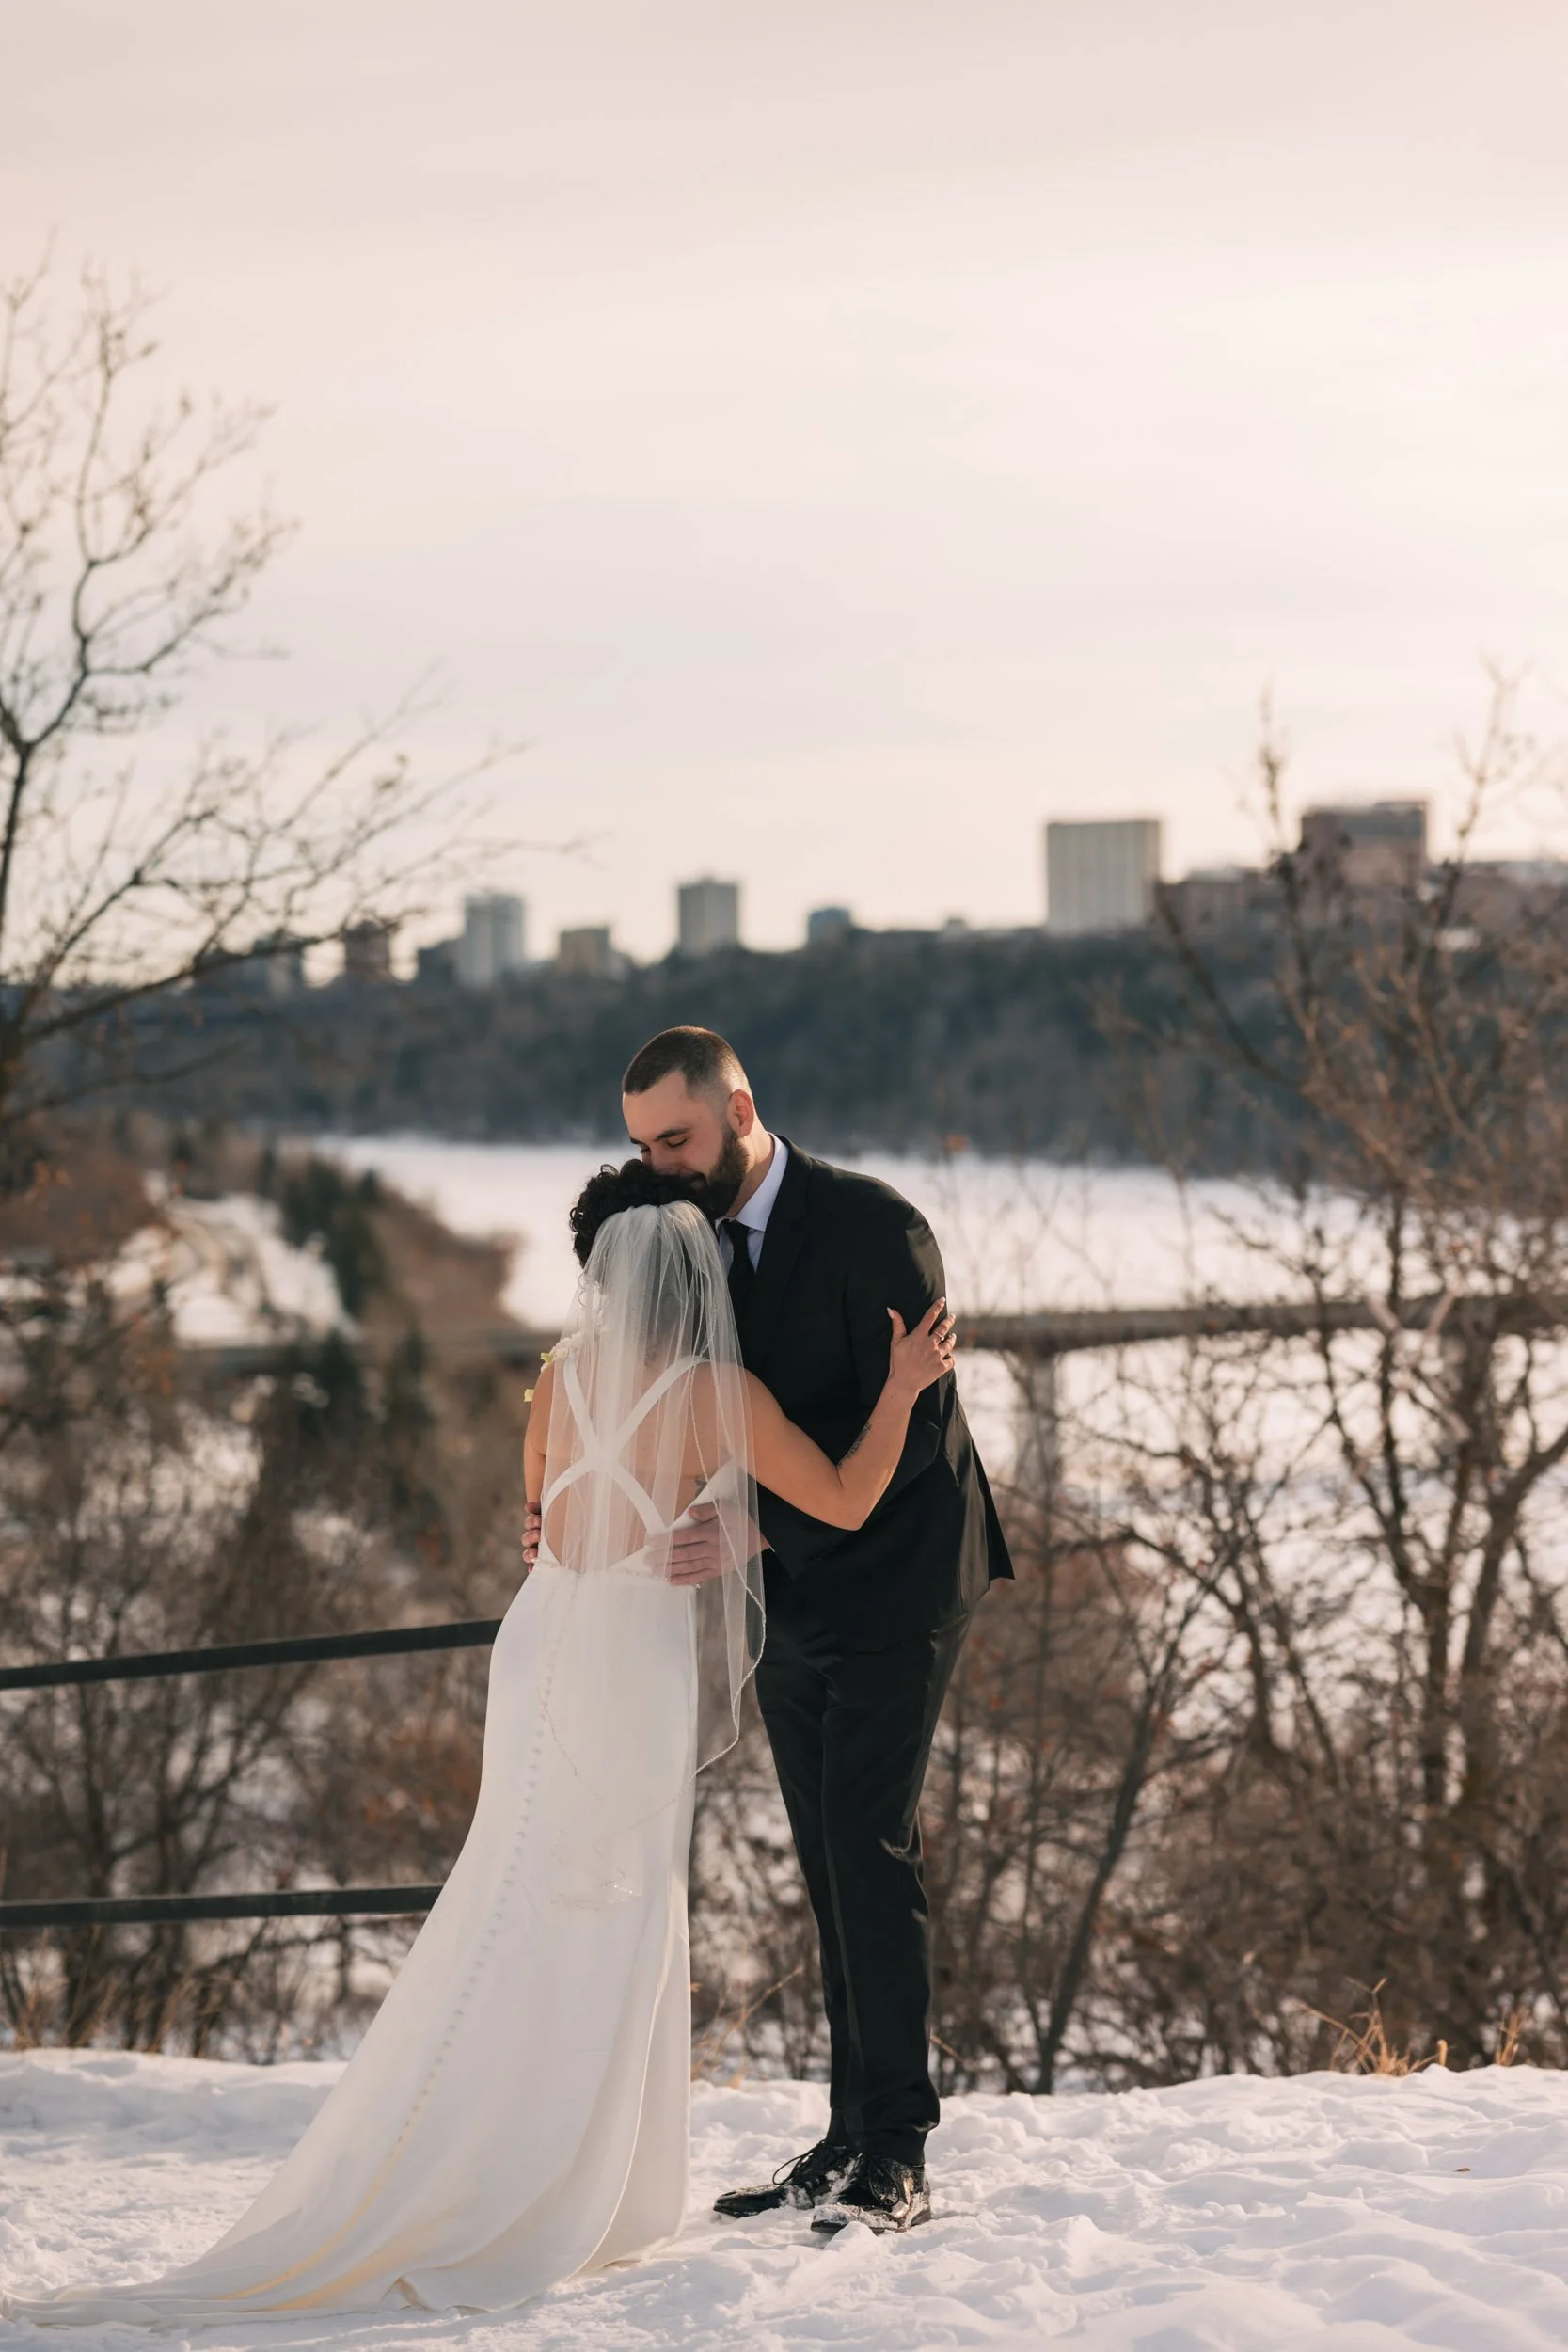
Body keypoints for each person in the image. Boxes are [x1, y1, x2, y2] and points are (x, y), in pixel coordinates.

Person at [1, 1166, 954, 2328]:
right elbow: (853, 1499)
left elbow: (541, 1519)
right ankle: (575, 2180)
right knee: (617, 1900)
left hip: (544, 1641)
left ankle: (476, 2136)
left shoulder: (555, 1379)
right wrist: (902, 1386)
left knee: (514, 1885)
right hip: (631, 1657)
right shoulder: (719, 1391)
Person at [527, 1027, 1013, 2235]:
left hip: (899, 1579)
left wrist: (751, 1530)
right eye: (642, 1145)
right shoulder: (678, 1245)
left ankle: (896, 2148)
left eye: (677, 1137)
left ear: (740, 1104)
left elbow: (910, 1440)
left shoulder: (874, 1226)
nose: (662, 1163)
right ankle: (845, 2134)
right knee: (824, 1856)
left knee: (868, 1840)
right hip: (788, 1596)